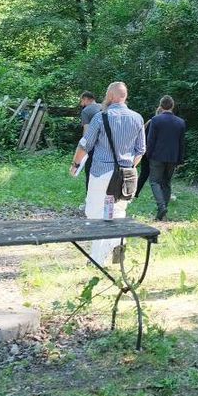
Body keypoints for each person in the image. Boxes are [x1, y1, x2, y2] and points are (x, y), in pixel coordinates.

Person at [70, 82, 145, 264]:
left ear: (110, 96)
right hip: (126, 176)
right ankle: (116, 253)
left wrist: (75, 163)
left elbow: (84, 144)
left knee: (95, 213)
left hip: (102, 173)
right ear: (124, 96)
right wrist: (129, 167)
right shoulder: (137, 118)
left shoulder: (100, 117)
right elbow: (141, 150)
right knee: (117, 214)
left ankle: (97, 259)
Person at [146, 95, 186, 221]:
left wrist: (148, 154)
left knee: (154, 181)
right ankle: (163, 211)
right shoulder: (180, 122)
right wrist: (180, 159)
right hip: (172, 157)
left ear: (161, 106)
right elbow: (181, 143)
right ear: (172, 106)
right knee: (167, 183)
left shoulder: (156, 120)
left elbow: (150, 140)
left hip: (157, 156)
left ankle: (161, 206)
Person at [79, 91, 100, 188]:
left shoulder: (86, 111)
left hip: (93, 146)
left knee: (89, 170)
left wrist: (83, 148)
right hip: (107, 146)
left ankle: (89, 197)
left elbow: (86, 131)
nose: (81, 104)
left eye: (81, 100)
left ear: (86, 99)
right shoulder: (104, 107)